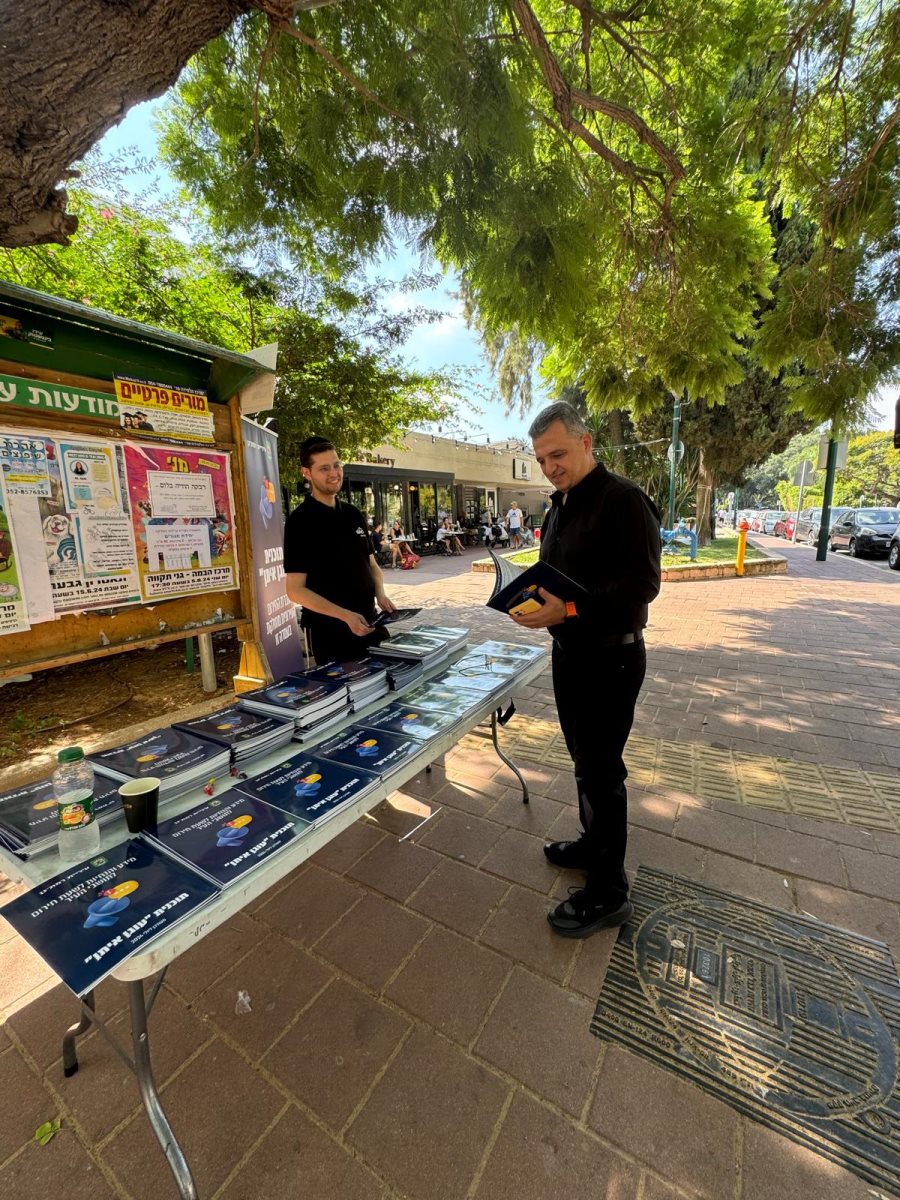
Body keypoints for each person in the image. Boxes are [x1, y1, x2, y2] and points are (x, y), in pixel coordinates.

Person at [509, 401, 661, 938]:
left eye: (558, 454)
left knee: (602, 770)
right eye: (541, 459)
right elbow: (562, 573)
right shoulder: (560, 505)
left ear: (586, 442)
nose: (549, 466)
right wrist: (532, 599)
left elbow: (642, 586)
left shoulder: (624, 500)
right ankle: (593, 844)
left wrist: (567, 610)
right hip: (570, 654)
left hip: (611, 656)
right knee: (583, 761)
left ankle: (609, 892)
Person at [284, 437, 395, 664]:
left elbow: (372, 566)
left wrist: (380, 594)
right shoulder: (301, 522)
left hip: (370, 622)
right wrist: (345, 616)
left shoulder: (353, 514)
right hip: (331, 632)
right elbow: (295, 591)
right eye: (324, 468)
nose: (334, 473)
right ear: (306, 472)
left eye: (336, 465)